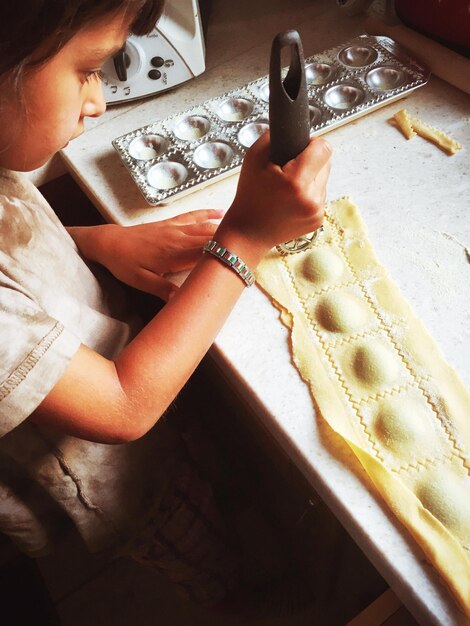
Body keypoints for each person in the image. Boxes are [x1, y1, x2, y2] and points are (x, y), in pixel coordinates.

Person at [0, 0, 331, 609]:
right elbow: (124, 407)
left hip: (124, 381)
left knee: (209, 459)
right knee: (196, 541)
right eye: (89, 70)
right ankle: (244, 598)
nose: (97, 100)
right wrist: (245, 238)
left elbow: (15, 251)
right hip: (113, 478)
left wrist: (102, 242)